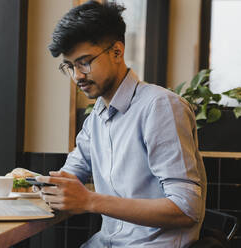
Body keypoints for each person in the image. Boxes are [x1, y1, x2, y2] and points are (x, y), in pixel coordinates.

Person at [35, 1, 207, 247]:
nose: (77, 76)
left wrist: (90, 201)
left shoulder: (160, 107)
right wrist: (34, 186)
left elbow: (187, 208)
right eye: (70, 66)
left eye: (84, 62)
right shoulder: (97, 117)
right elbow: (69, 176)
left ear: (117, 52)